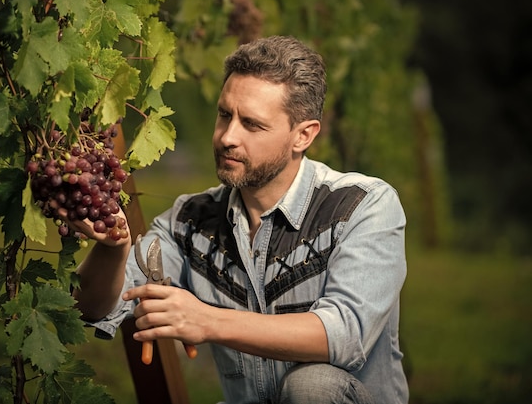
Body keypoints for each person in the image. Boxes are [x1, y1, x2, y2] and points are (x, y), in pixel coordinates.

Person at [65, 35, 409, 404]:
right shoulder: (189, 221)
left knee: (312, 386)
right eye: (225, 115)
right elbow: (92, 307)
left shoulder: (362, 206)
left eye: (252, 125)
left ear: (303, 136)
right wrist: (114, 249)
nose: (228, 136)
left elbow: (344, 335)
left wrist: (207, 320)